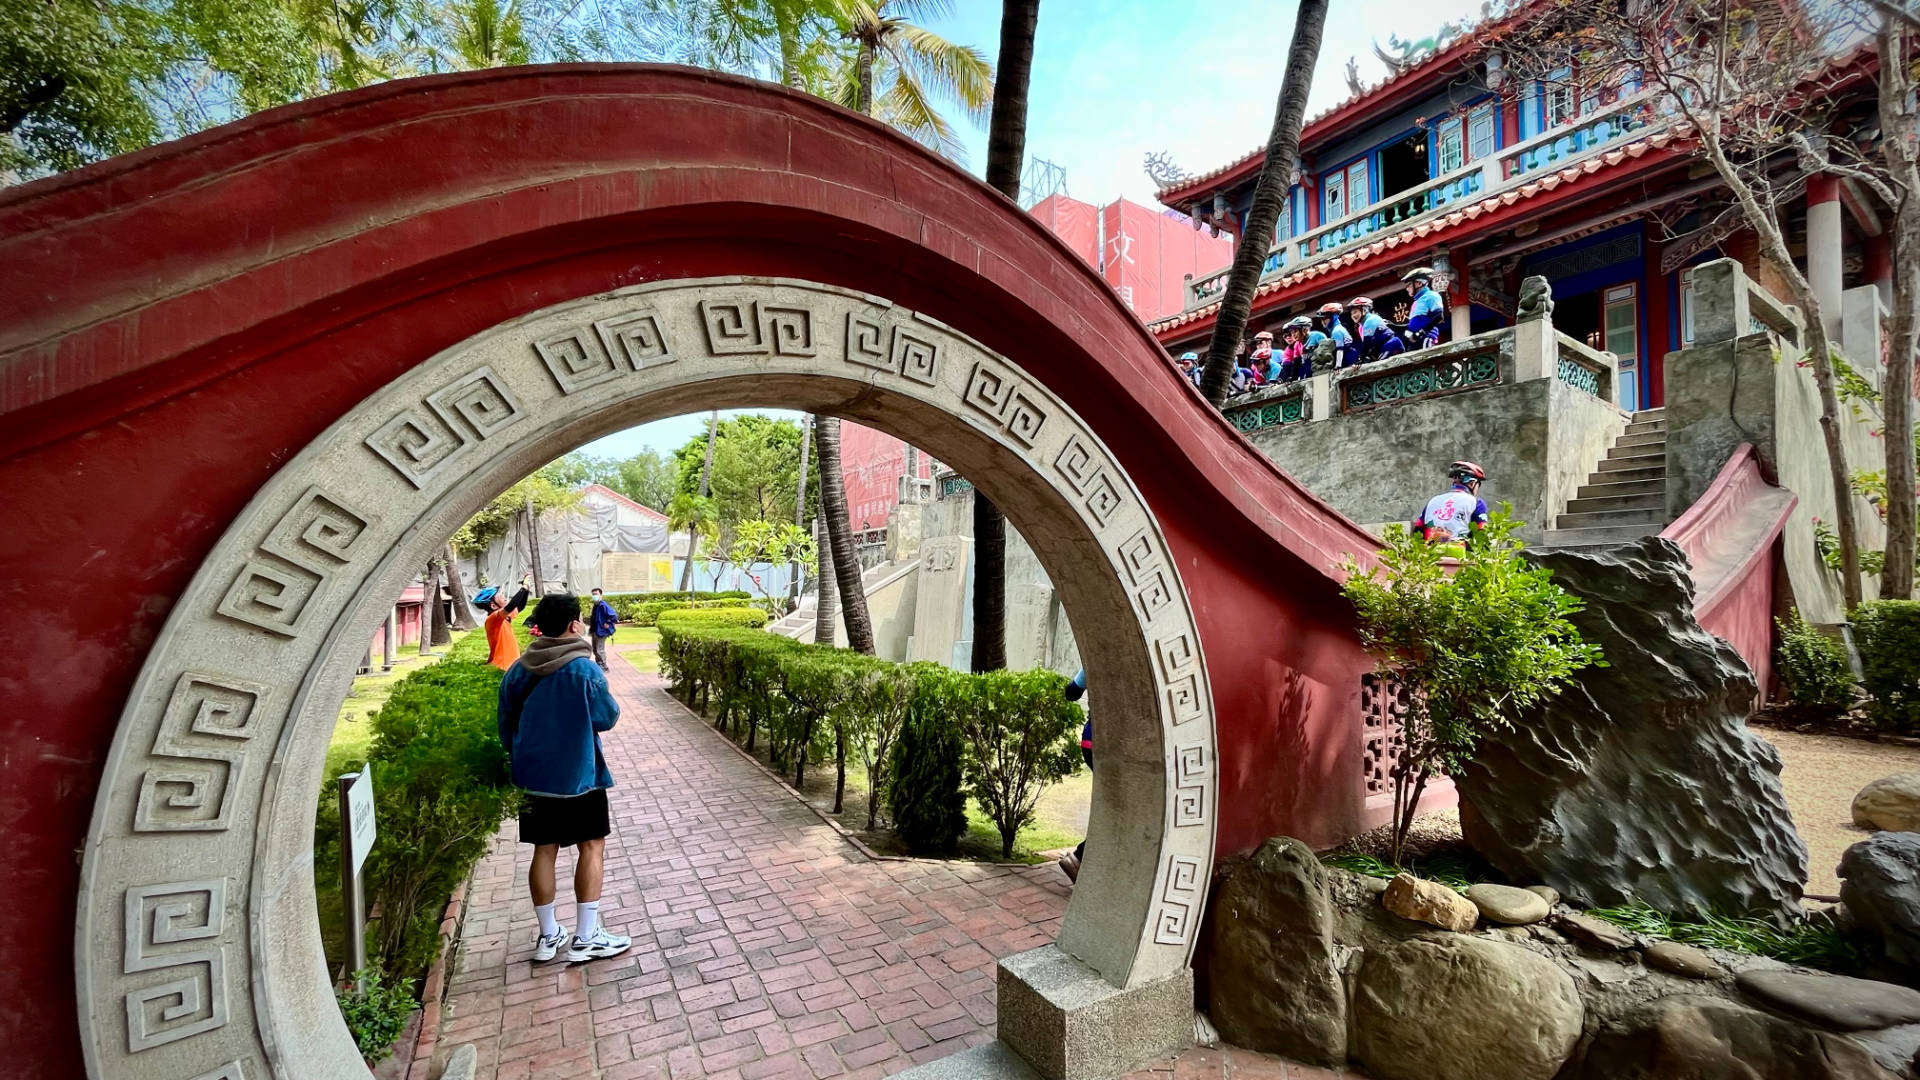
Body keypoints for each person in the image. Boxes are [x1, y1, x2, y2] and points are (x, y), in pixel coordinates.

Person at [497, 593, 630, 964]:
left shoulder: (519, 669)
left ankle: (548, 935)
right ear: (574, 624)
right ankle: (586, 937)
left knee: (544, 850)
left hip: (535, 778)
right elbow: (606, 717)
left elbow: (505, 727)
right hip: (579, 776)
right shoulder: (584, 669)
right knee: (591, 846)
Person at [1413, 460, 1491, 550]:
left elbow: (1418, 530)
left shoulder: (1433, 501)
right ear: (1472, 483)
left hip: (1429, 557)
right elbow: (1481, 535)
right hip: (1458, 557)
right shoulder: (1476, 502)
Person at [1058, 670, 1090, 882]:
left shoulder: (1094, 661)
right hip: (1113, 747)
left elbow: (1071, 692)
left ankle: (1082, 858)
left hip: (1090, 741)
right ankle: (1079, 857)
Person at [474, 574, 531, 671]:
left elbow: (520, 606)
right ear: (493, 606)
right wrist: (524, 587)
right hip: (503, 666)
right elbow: (512, 605)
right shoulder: (493, 618)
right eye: (500, 596)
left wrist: (526, 588)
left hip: (511, 665)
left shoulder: (503, 618)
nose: (504, 598)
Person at [1396, 266, 1447, 350]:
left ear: (1419, 283)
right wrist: (1392, 325)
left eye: (1409, 285)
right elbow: (1413, 324)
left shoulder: (1431, 295)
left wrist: (1420, 333)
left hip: (1426, 337)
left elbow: (1438, 316)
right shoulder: (1416, 302)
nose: (1407, 289)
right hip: (1414, 339)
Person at [1347, 296, 1406, 365]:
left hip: (1391, 345)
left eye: (1355, 312)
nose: (1353, 316)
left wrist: (1360, 360)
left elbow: (1366, 344)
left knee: (1383, 367)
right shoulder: (1361, 326)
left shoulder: (1370, 320)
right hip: (1384, 347)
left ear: (1364, 310)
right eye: (1351, 314)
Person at [1316, 301, 1357, 369]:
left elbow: (1340, 350)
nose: (1323, 322)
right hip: (1347, 356)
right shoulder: (1335, 329)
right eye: (1321, 319)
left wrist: (1338, 366)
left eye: (1325, 318)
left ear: (1333, 317)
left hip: (1348, 357)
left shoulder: (1337, 330)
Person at [587, 588, 618, 671]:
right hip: (595, 630)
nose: (594, 596)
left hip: (601, 631)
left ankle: (604, 666)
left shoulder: (603, 605)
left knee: (599, 649)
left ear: (601, 595)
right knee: (595, 649)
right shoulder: (596, 605)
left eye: (596, 594)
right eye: (593, 594)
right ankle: (599, 665)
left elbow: (614, 616)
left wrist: (607, 622)